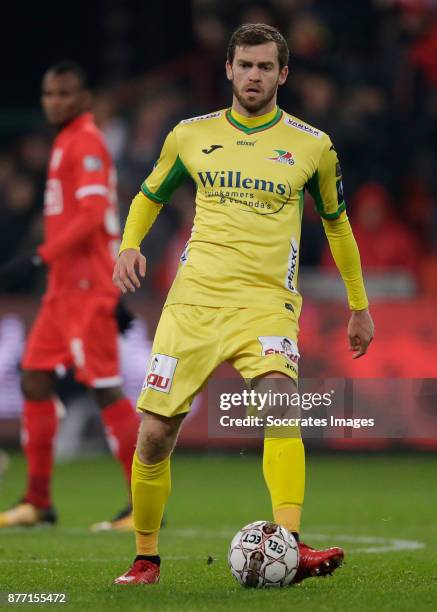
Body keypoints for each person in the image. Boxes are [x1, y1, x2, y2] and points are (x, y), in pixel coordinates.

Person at [113, 24, 374, 585]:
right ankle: (145, 558)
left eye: (264, 67)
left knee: (282, 406)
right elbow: (147, 195)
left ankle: (292, 545)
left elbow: (338, 225)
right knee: (155, 434)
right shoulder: (189, 135)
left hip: (266, 305)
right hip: (193, 304)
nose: (253, 76)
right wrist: (129, 246)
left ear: (283, 74)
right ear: (228, 70)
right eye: (244, 65)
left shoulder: (313, 145)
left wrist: (359, 305)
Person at [0, 61, 139, 531]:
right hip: (62, 293)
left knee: (105, 389)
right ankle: (38, 502)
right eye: (48, 94)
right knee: (35, 380)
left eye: (64, 94)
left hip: (83, 290)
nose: (54, 102)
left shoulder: (87, 142)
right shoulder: (65, 142)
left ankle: (143, 504)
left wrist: (41, 256)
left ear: (83, 98)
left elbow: (94, 215)